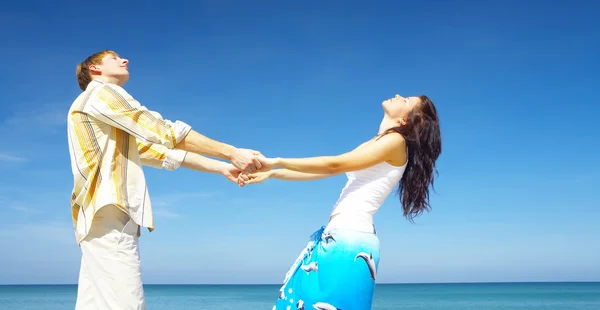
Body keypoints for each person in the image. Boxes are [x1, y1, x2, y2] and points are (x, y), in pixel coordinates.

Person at [68, 50, 264, 309]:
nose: (125, 60)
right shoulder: (102, 93)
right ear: (95, 69)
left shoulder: (96, 112)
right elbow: (160, 130)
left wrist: (221, 168)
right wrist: (231, 153)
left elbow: (156, 152)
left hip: (94, 220)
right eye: (115, 58)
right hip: (110, 213)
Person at [248, 94, 442, 310]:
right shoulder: (377, 142)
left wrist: (275, 161)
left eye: (405, 100)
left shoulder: (395, 141)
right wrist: (274, 174)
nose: (398, 96)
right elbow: (326, 171)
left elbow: (334, 165)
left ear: (404, 120)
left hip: (350, 240)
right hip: (338, 235)